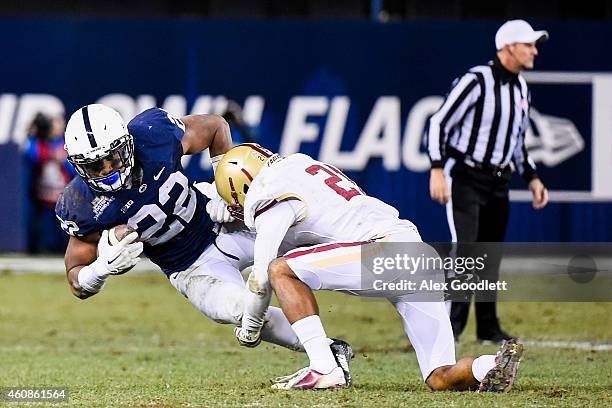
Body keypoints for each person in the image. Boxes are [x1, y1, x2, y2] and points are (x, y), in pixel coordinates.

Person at [54, 104, 355, 370]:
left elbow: (214, 126)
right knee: (242, 309)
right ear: (79, 165)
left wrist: (226, 192)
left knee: (316, 234)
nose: (107, 169)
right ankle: (328, 351)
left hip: (224, 221)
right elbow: (75, 279)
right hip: (190, 267)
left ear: (128, 143)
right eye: (95, 165)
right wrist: (99, 270)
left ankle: (387, 260)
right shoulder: (80, 204)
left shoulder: (152, 134)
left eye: (113, 157)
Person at [214, 143, 523, 392]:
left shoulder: (265, 191)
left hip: (382, 249)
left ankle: (324, 367)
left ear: (242, 186)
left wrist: (251, 327)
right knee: (439, 376)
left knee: (281, 270)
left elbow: (261, 275)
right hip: (417, 252)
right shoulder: (297, 165)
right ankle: (489, 365)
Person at [427, 19, 549, 344]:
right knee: (467, 251)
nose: (535, 51)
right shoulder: (477, 80)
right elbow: (439, 122)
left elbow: (517, 140)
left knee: (490, 256)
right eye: (529, 44)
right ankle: (448, 328)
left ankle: (488, 327)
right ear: (509, 47)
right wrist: (437, 168)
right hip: (466, 176)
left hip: (499, 182)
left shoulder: (522, 88)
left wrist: (533, 177)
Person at [24, 113, 75, 253]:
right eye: (53, 123)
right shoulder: (38, 142)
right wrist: (31, 135)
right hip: (42, 194)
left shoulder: (68, 143)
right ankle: (36, 249)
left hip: (63, 194)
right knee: (41, 226)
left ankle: (65, 250)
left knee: (66, 227)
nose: (56, 126)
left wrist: (64, 159)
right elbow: (30, 154)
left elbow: (75, 170)